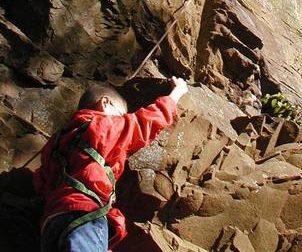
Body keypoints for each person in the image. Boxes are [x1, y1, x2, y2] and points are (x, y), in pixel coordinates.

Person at [34, 77, 188, 251]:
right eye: (121, 115)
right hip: (84, 215)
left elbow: (41, 183)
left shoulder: (57, 141)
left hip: (51, 222)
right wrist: (176, 93)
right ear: (105, 103)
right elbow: (144, 123)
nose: (122, 118)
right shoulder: (103, 125)